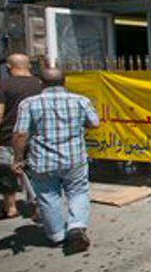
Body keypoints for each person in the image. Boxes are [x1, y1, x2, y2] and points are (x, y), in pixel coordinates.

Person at [12, 67, 98, 253]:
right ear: (64, 82)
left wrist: (18, 158)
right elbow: (94, 124)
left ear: (41, 83)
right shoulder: (80, 101)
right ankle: (76, 228)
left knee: (48, 196)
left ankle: (57, 235)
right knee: (78, 192)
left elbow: (20, 134)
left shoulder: (29, 104)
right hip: (74, 158)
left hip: (42, 161)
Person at [0, 54, 42, 219]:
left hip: (9, 135)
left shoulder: (2, 85)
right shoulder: (40, 84)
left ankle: (10, 207)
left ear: (8, 67)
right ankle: (38, 207)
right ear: (29, 66)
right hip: (37, 135)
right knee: (36, 172)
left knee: (6, 170)